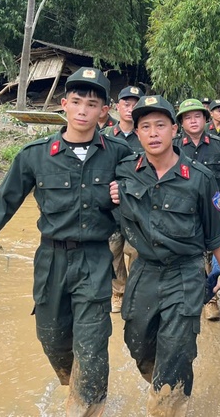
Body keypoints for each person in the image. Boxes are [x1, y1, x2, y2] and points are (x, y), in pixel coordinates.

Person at [0, 67, 132, 416]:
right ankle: (74, 382)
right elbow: (4, 200)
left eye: (91, 104)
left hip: (95, 259)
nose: (82, 110)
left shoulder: (119, 154)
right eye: (76, 102)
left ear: (102, 112)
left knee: (92, 346)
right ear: (63, 104)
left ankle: (87, 402)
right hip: (50, 260)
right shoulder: (35, 154)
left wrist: (126, 196)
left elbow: (147, 191)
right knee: (52, 338)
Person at [112, 95, 220, 415]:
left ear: (173, 129)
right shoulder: (124, 172)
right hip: (144, 269)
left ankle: (169, 397)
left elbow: (217, 232)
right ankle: (167, 380)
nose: (153, 133)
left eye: (160, 125)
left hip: (185, 271)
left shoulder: (200, 178)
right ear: (136, 132)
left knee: (177, 347)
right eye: (145, 126)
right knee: (136, 340)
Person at [103, 85, 143, 313]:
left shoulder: (146, 134)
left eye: (135, 105)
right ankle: (118, 292)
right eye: (126, 104)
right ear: (117, 107)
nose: (130, 109)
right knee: (113, 251)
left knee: (138, 251)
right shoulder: (106, 136)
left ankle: (135, 294)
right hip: (112, 208)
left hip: (138, 206)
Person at [174, 98, 220, 213]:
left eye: (197, 116)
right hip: (182, 209)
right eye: (187, 117)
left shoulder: (219, 145)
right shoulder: (173, 146)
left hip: (214, 207)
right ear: (181, 122)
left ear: (205, 119)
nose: (193, 121)